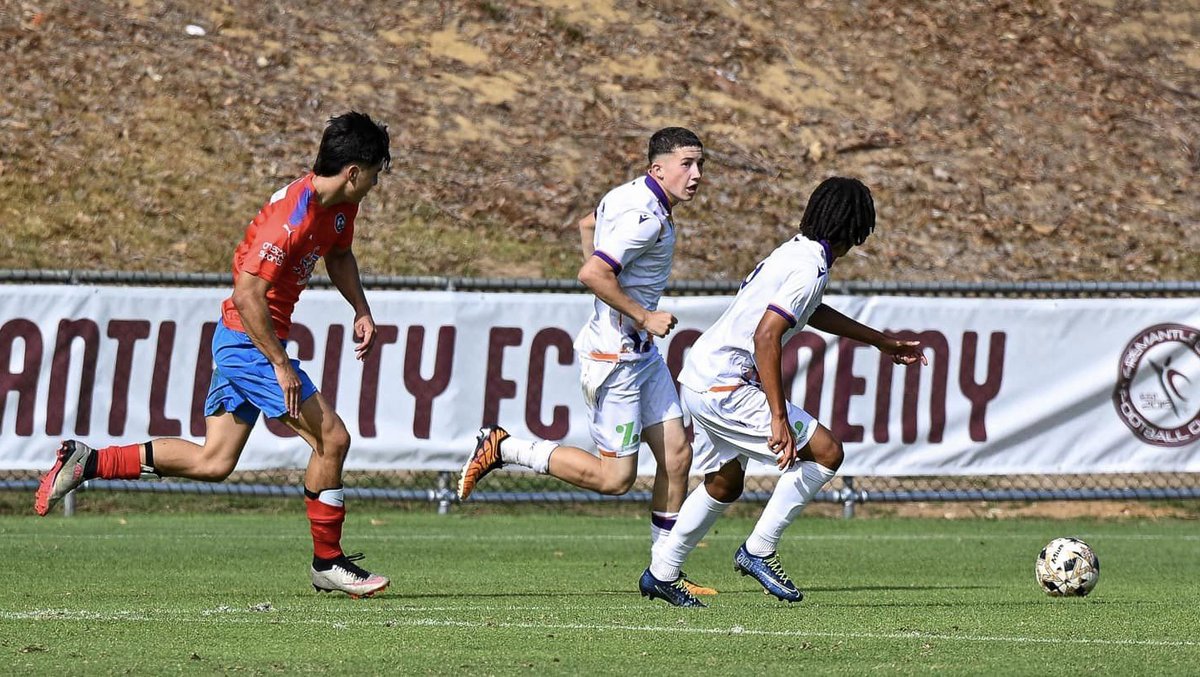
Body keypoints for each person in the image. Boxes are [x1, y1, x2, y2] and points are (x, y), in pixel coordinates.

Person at [35, 111, 393, 599]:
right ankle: (328, 562)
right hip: (248, 341)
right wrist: (280, 364)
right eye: (375, 173)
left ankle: (88, 462)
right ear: (354, 171)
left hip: (249, 340)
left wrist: (361, 308)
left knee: (213, 461)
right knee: (332, 438)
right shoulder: (290, 217)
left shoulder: (339, 208)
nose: (376, 183)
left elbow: (338, 255)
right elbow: (247, 297)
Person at [641, 177, 927, 607]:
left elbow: (811, 310)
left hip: (700, 373)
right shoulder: (810, 266)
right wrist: (778, 416)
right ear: (857, 228)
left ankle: (662, 572)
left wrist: (880, 341)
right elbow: (766, 336)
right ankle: (759, 549)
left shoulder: (796, 251)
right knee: (827, 452)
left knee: (724, 481)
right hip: (726, 382)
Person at [457, 127, 716, 596]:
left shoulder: (629, 195)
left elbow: (585, 225)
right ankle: (505, 446)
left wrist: (616, 309)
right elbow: (592, 271)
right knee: (615, 479)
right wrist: (641, 314)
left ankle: (664, 571)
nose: (696, 175)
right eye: (687, 164)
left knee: (677, 456)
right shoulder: (647, 218)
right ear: (658, 168)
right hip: (615, 359)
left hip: (640, 353)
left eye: (700, 164)